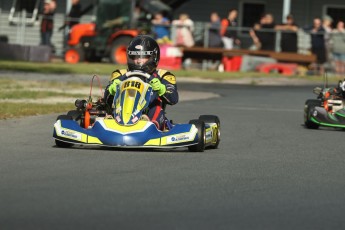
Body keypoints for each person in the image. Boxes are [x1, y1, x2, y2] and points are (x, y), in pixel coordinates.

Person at [104, 35, 179, 130]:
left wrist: (161, 88)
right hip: (121, 112)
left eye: (144, 56)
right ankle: (113, 121)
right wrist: (111, 89)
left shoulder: (164, 75)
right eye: (135, 56)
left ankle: (151, 124)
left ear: (154, 57)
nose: (139, 60)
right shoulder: (120, 74)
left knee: (156, 103)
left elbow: (173, 98)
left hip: (149, 114)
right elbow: (106, 99)